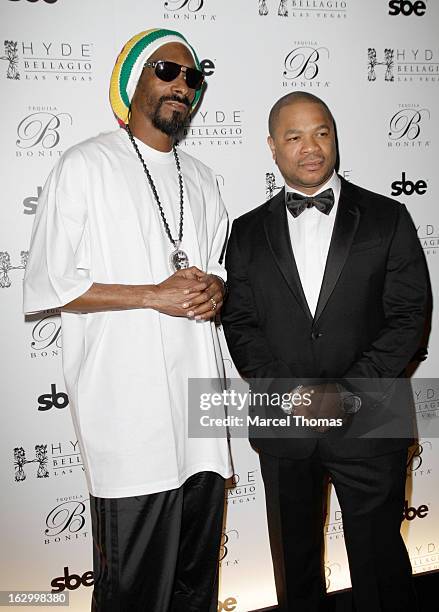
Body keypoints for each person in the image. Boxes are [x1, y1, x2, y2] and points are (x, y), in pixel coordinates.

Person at [23, 28, 232, 612]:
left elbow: (214, 273)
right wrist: (151, 295)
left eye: (193, 78)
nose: (182, 86)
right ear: (133, 78)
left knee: (196, 589)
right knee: (135, 593)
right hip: (128, 424)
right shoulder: (84, 165)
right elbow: (49, 283)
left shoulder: (207, 179)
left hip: (202, 425)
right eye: (168, 71)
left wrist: (216, 291)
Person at [222, 91, 428, 612]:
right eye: (293, 136)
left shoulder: (387, 218)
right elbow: (241, 323)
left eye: (321, 133)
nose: (310, 147)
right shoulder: (244, 233)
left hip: (371, 417)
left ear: (334, 137)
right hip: (284, 424)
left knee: (380, 562)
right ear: (272, 147)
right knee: (295, 564)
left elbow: (408, 317)